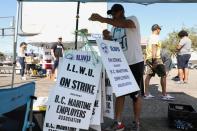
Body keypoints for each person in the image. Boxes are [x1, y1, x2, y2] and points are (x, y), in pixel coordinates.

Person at [89, 4, 144, 131]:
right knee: (120, 93)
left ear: (121, 12)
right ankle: (118, 123)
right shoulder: (113, 28)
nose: (112, 15)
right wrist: (106, 37)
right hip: (121, 64)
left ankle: (137, 123)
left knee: (135, 95)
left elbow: (126, 24)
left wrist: (102, 19)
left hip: (135, 62)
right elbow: (112, 45)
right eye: (111, 14)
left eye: (114, 13)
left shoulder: (132, 19)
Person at [144, 24, 175, 101]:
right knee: (163, 75)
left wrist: (147, 59)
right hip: (155, 59)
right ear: (157, 29)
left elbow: (148, 49)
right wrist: (154, 61)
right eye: (160, 29)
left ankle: (146, 94)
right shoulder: (155, 37)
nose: (160, 31)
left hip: (149, 58)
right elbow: (154, 47)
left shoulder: (149, 37)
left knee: (149, 75)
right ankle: (164, 95)